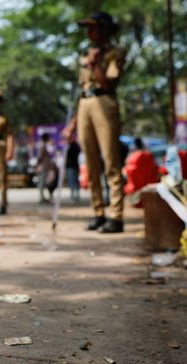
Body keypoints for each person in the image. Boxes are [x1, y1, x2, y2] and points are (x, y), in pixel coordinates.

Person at [62, 11, 127, 234]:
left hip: (105, 103)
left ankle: (116, 216)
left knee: (111, 161)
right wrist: (72, 124)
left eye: (93, 28)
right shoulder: (85, 54)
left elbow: (109, 83)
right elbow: (82, 91)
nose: (89, 33)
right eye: (87, 29)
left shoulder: (114, 52)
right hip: (85, 105)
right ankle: (98, 212)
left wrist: (95, 64)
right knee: (90, 163)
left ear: (105, 29)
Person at [123, 137, 158, 207]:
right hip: (149, 191)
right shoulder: (148, 155)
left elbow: (125, 172)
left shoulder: (131, 157)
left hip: (136, 193)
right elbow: (156, 169)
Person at [35, 133, 55, 203]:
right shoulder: (42, 145)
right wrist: (37, 165)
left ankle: (42, 197)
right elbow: (40, 157)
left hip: (44, 166)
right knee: (42, 182)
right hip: (43, 167)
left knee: (43, 182)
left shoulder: (44, 145)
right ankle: (41, 197)